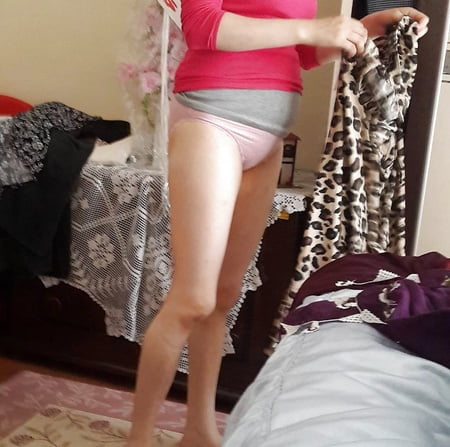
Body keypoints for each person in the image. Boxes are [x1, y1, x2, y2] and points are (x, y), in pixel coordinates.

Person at [126, 2, 429, 447]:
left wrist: (361, 29)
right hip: (213, 118)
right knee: (193, 298)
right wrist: (313, 29)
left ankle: (199, 431)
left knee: (224, 296)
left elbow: (299, 51)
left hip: (269, 134)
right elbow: (205, 27)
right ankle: (138, 439)